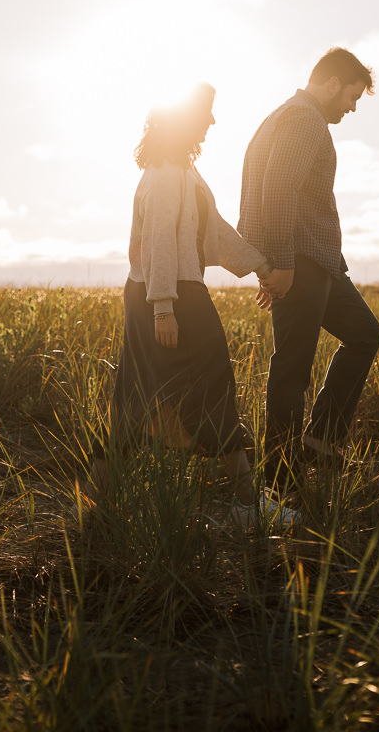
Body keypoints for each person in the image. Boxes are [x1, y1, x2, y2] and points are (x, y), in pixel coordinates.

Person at [77, 83, 299, 529]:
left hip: (172, 292)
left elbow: (212, 231)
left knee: (138, 397)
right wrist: (163, 307)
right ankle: (246, 508)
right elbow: (157, 241)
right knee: (202, 387)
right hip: (170, 295)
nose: (211, 122)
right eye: (205, 114)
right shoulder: (163, 173)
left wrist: (260, 265)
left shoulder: (183, 171)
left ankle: (89, 506)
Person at [238, 48, 379, 494]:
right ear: (334, 82)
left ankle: (321, 440)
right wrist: (279, 264)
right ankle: (280, 486)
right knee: (292, 372)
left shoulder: (291, 115)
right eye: (353, 96)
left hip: (317, 264)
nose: (352, 107)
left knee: (364, 333)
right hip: (299, 263)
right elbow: (277, 189)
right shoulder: (303, 119)